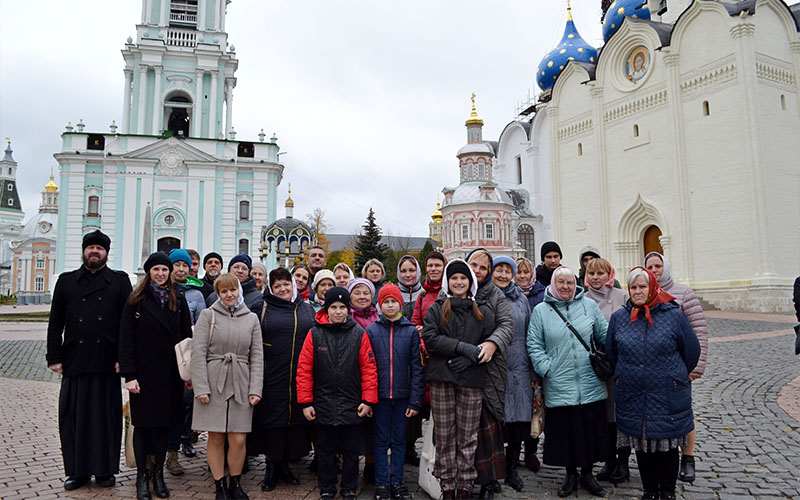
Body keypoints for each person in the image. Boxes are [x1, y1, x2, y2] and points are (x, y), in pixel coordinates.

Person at [46, 230, 132, 491]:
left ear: (106, 253)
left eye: (99, 248)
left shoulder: (119, 281)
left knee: (106, 418)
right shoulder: (67, 281)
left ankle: (105, 469)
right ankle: (77, 470)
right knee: (74, 418)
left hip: (107, 360)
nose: (95, 252)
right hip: (76, 359)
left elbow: (126, 325)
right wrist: (54, 356)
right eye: (91, 248)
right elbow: (55, 321)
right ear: (84, 251)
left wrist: (123, 359)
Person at [606, 267, 700, 500]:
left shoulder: (674, 315)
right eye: (634, 287)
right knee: (642, 444)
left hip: (666, 391)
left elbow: (691, 351)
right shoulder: (620, 317)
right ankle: (649, 491)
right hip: (633, 392)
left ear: (653, 287)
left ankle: (667, 492)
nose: (638, 291)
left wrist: (673, 375)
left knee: (667, 444)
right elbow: (612, 352)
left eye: (642, 286)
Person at [527, 266, 609, 498]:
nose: (565, 287)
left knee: (590, 431)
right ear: (553, 284)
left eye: (570, 282)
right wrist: (546, 368)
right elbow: (534, 343)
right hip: (559, 381)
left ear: (576, 284)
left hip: (590, 381)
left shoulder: (589, 306)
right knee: (567, 432)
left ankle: (588, 474)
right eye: (561, 282)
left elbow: (605, 335)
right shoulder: (541, 311)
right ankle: (571, 474)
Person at [119, 252, 192, 500]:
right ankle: (143, 476)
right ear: (148, 272)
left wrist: (187, 372)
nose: (160, 274)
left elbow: (185, 339)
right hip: (143, 374)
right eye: (156, 269)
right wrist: (129, 375)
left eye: (164, 269)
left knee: (163, 426)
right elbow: (125, 340)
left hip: (170, 374)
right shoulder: (135, 300)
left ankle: (158, 474)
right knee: (142, 426)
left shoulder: (178, 300)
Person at [296, 287, 378, 500]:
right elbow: (304, 369)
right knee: (325, 451)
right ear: (327, 309)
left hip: (352, 403)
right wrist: (306, 402)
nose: (338, 311)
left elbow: (369, 368)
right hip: (323, 403)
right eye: (334, 307)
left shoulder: (358, 333)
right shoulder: (315, 334)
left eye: (342, 307)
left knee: (351, 451)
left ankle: (349, 487)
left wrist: (368, 400)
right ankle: (327, 487)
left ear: (348, 309)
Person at [191, 272, 263, 500]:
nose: (229, 294)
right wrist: (201, 387)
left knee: (239, 438)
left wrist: (255, 389)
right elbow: (198, 353)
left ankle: (236, 481)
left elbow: (257, 356)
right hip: (214, 380)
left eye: (233, 290)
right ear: (218, 294)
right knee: (216, 437)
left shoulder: (251, 318)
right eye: (224, 291)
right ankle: (219, 483)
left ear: (239, 291)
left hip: (241, 380)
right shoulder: (207, 315)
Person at [421, 259, 487, 500]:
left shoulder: (481, 311)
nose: (459, 282)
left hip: (471, 379)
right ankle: (447, 483)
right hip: (442, 378)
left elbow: (489, 342)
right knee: (446, 434)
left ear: (470, 282)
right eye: (454, 278)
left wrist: (472, 358)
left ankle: (465, 483)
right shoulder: (437, 308)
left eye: (463, 278)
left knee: (468, 435)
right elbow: (430, 338)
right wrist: (461, 348)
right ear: (448, 282)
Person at [644, 251, 708, 483]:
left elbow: (699, 329)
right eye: (649, 266)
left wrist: (696, 366)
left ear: (665, 267)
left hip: (679, 367)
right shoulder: (643, 293)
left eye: (658, 266)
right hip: (652, 371)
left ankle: (688, 458)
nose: (654, 270)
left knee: (684, 413)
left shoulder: (683, 293)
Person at [251, 268, 315, 491]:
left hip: (299, 375)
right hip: (271, 374)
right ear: (270, 287)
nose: (283, 289)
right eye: (277, 285)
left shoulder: (305, 308)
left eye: (286, 284)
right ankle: (271, 467)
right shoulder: (262, 307)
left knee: (293, 422)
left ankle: (285, 465)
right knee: (273, 421)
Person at [366, 285, 426, 500]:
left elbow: (417, 368)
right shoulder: (371, 331)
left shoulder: (410, 331)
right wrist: (369, 399)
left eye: (394, 301)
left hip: (402, 397)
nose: (390, 305)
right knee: (381, 441)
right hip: (380, 398)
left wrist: (415, 400)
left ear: (400, 303)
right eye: (386, 302)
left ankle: (397, 481)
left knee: (399, 440)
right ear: (380, 305)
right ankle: (382, 483)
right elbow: (367, 367)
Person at [466, 250, 513, 500]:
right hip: (461, 370)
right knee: (464, 429)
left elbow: (507, 325)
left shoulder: (494, 294)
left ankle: (488, 480)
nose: (477, 271)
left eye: (483, 268)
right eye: (474, 264)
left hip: (489, 369)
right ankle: (464, 478)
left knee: (488, 427)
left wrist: (493, 343)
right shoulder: (455, 287)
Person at [583, 258, 630, 484]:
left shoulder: (622, 297)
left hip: (621, 364)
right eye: (592, 273)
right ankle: (609, 459)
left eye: (600, 273)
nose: (596, 278)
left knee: (620, 414)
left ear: (609, 274)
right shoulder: (582, 299)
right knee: (604, 416)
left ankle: (623, 461)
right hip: (596, 365)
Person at [490, 256, 532, 494]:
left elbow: (528, 332)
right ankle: (494, 469)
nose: (503, 275)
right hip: (494, 366)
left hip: (518, 366)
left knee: (517, 419)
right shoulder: (485, 296)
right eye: (499, 270)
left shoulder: (521, 300)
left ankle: (512, 467)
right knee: (495, 420)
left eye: (508, 271)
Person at [167, 249, 207, 473]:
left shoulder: (195, 294)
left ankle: (174, 453)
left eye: (185, 265)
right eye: (177, 265)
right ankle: (154, 456)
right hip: (161, 359)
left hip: (184, 358)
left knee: (180, 406)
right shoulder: (161, 290)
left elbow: (200, 329)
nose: (182, 269)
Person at [513, 257, 546, 473]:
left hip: (534, 359)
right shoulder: (510, 295)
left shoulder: (542, 294)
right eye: (519, 273)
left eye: (526, 272)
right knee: (516, 409)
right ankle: (514, 453)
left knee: (534, 409)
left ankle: (531, 451)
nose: (523, 276)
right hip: (516, 361)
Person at [411, 251, 447, 332]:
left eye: (437, 265)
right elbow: (415, 323)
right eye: (430, 265)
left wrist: (427, 329)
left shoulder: (451, 293)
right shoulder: (422, 296)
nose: (433, 269)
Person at [397, 255, 423, 320]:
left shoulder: (425, 294)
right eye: (403, 271)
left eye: (412, 270)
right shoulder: (393, 294)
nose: (408, 275)